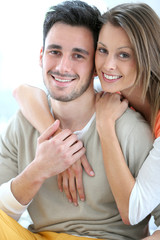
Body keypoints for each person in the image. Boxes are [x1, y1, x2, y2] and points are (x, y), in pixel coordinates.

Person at [2, 1, 160, 239]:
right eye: (55, 52)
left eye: (78, 55)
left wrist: (105, 126)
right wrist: (42, 165)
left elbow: (139, 212)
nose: (63, 67)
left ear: (93, 67)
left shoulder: (131, 129)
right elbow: (22, 90)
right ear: (41, 56)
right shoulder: (23, 123)